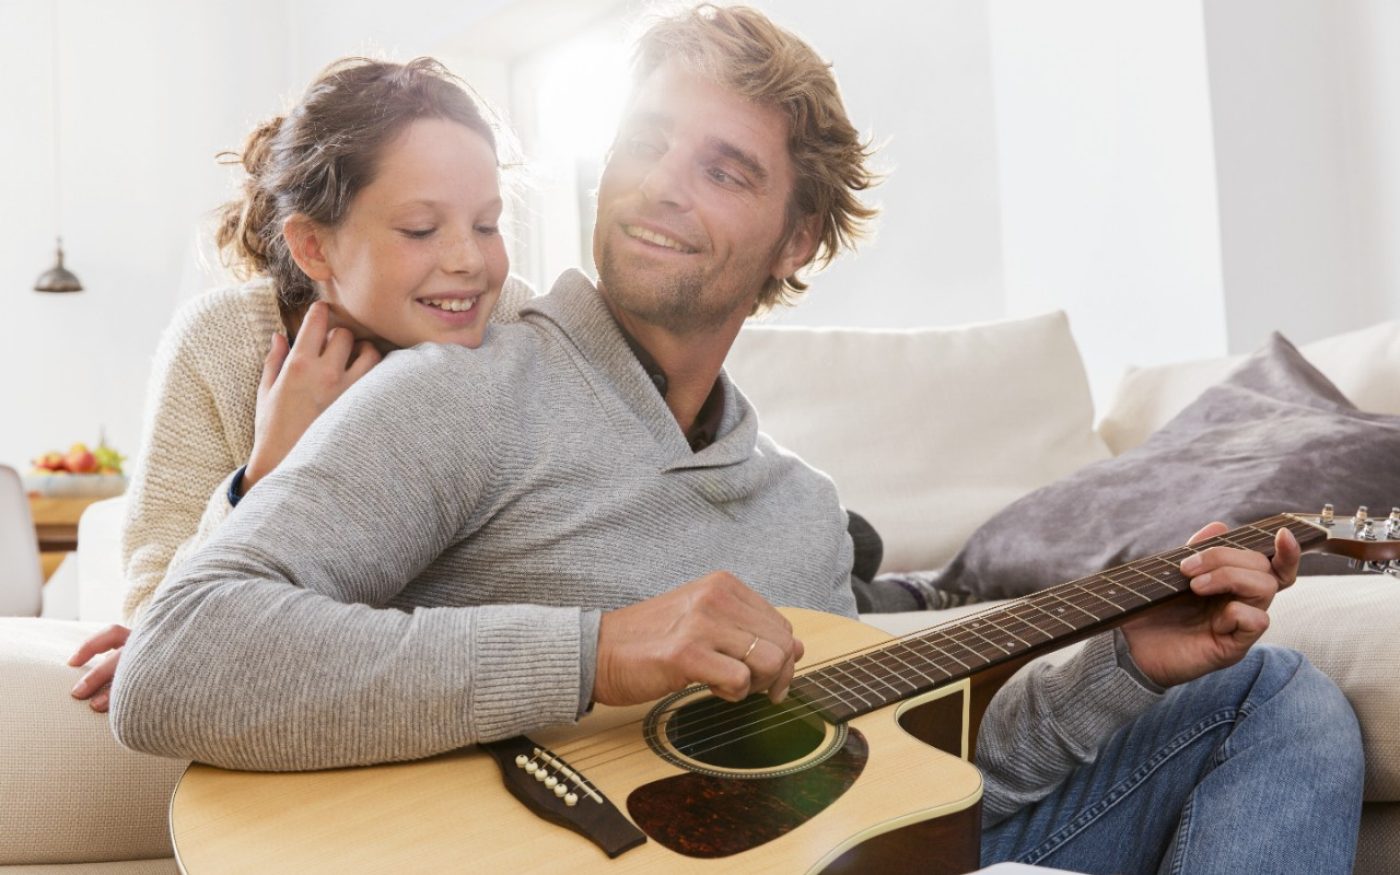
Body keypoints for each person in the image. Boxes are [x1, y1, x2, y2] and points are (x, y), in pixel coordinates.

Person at [110, 6, 1362, 872]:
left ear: (796, 239)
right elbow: (179, 660)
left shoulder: (799, 511)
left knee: (1272, 692)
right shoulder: (461, 388)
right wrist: (598, 649)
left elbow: (904, 788)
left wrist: (1125, 665)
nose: (662, 184)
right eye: (645, 140)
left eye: (722, 169)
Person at [66, 56, 534, 712]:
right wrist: (270, 470)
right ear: (314, 247)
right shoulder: (222, 345)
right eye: (421, 229)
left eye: (487, 224)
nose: (468, 260)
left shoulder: (516, 324)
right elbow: (156, 616)